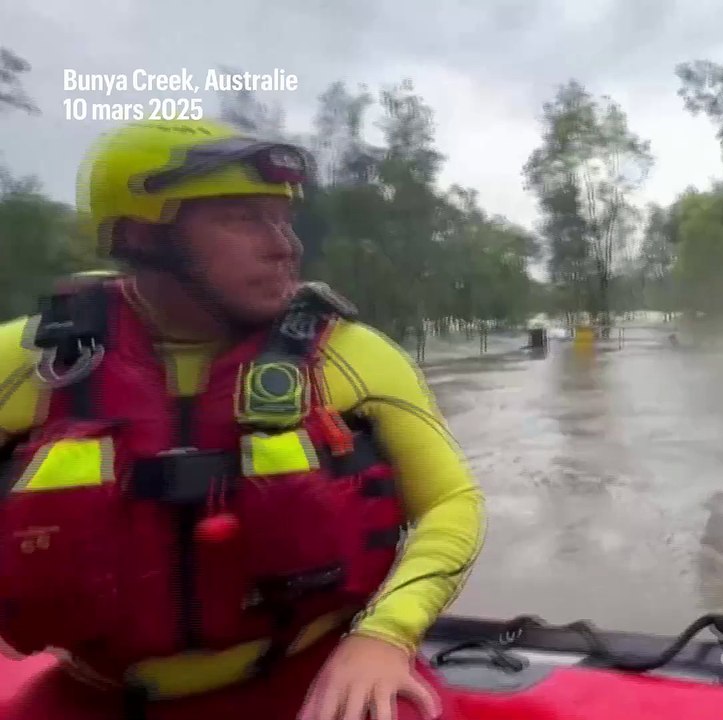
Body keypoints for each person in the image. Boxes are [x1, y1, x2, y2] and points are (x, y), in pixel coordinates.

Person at [0, 119, 486, 719]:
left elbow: (451, 503)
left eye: (281, 218)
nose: (284, 244)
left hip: (306, 673)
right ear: (140, 235)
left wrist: (384, 636)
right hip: (92, 692)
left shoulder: (353, 355)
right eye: (240, 217)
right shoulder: (25, 364)